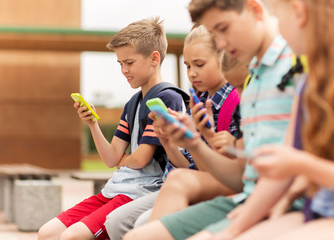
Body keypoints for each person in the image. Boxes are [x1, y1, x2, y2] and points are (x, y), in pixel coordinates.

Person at [123, 0, 296, 239]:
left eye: (223, 29)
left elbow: (287, 173)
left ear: (255, 10)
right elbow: (244, 176)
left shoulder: (293, 69)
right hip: (249, 197)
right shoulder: (253, 81)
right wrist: (194, 142)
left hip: (281, 204)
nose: (221, 44)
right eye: (215, 34)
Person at [37, 17, 187, 240]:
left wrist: (123, 160)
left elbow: (140, 159)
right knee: (47, 233)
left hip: (141, 192)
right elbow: (111, 158)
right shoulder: (133, 103)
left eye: (130, 62)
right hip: (115, 189)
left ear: (154, 58)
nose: (124, 70)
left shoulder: (167, 98)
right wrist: (93, 124)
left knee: (72, 237)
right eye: (120, 64)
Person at [208, 0, 334, 239]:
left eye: (277, 16)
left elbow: (296, 164)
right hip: (316, 212)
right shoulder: (309, 81)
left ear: (299, 12)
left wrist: (301, 165)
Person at [105, 24, 243, 240]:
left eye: (199, 64)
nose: (192, 73)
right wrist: (168, 142)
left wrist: (201, 138)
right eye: (188, 66)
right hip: (179, 182)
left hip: (201, 187)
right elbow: (186, 165)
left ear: (223, 58)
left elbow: (223, 172)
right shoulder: (199, 102)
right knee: (115, 222)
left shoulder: (233, 102)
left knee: (140, 225)